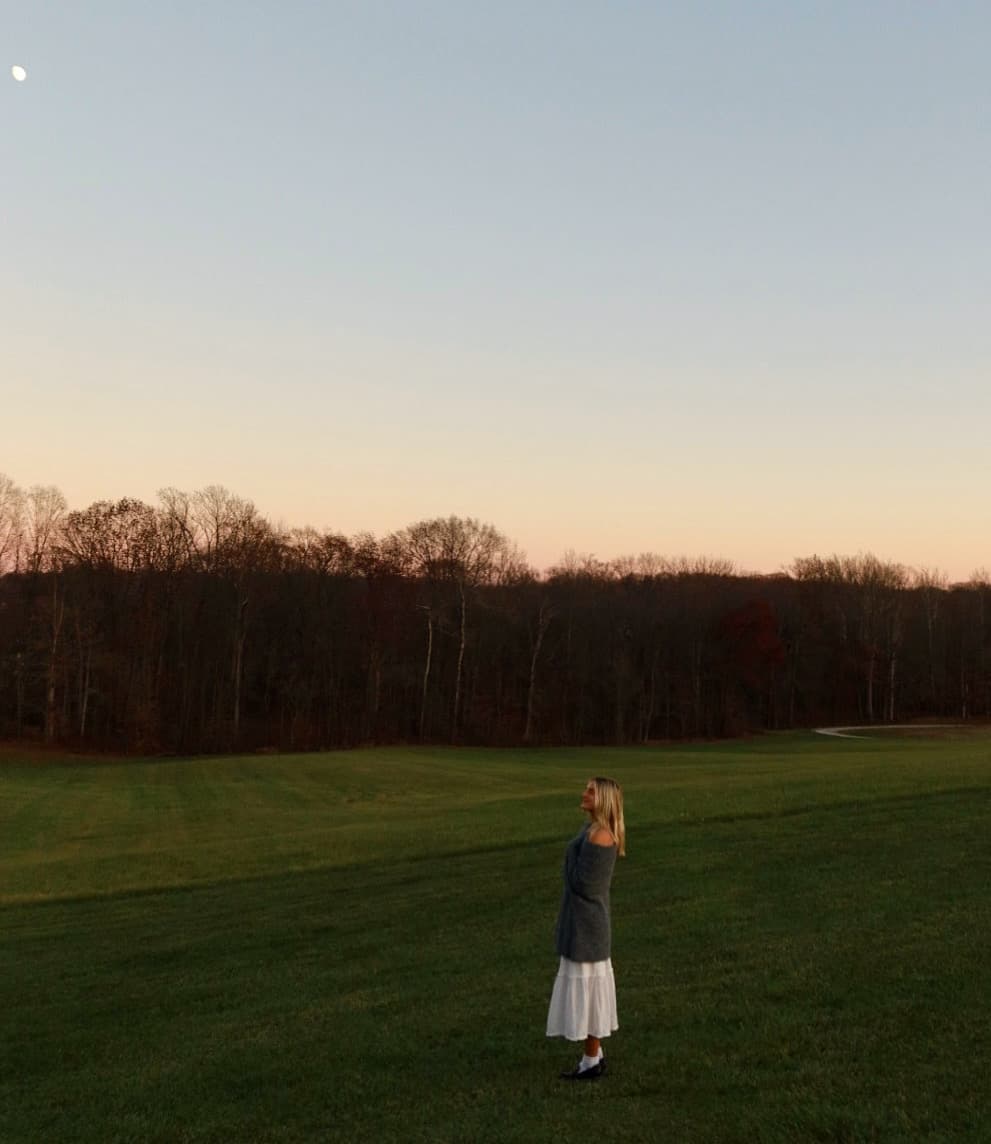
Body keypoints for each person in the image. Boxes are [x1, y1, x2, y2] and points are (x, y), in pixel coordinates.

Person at [546, 775, 626, 1080]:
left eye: (590, 791)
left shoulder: (602, 835)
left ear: (602, 799)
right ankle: (594, 1056)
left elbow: (584, 884)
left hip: (588, 928)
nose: (584, 794)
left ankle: (591, 1061)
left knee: (590, 994)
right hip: (581, 923)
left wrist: (567, 869)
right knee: (588, 990)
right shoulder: (590, 829)